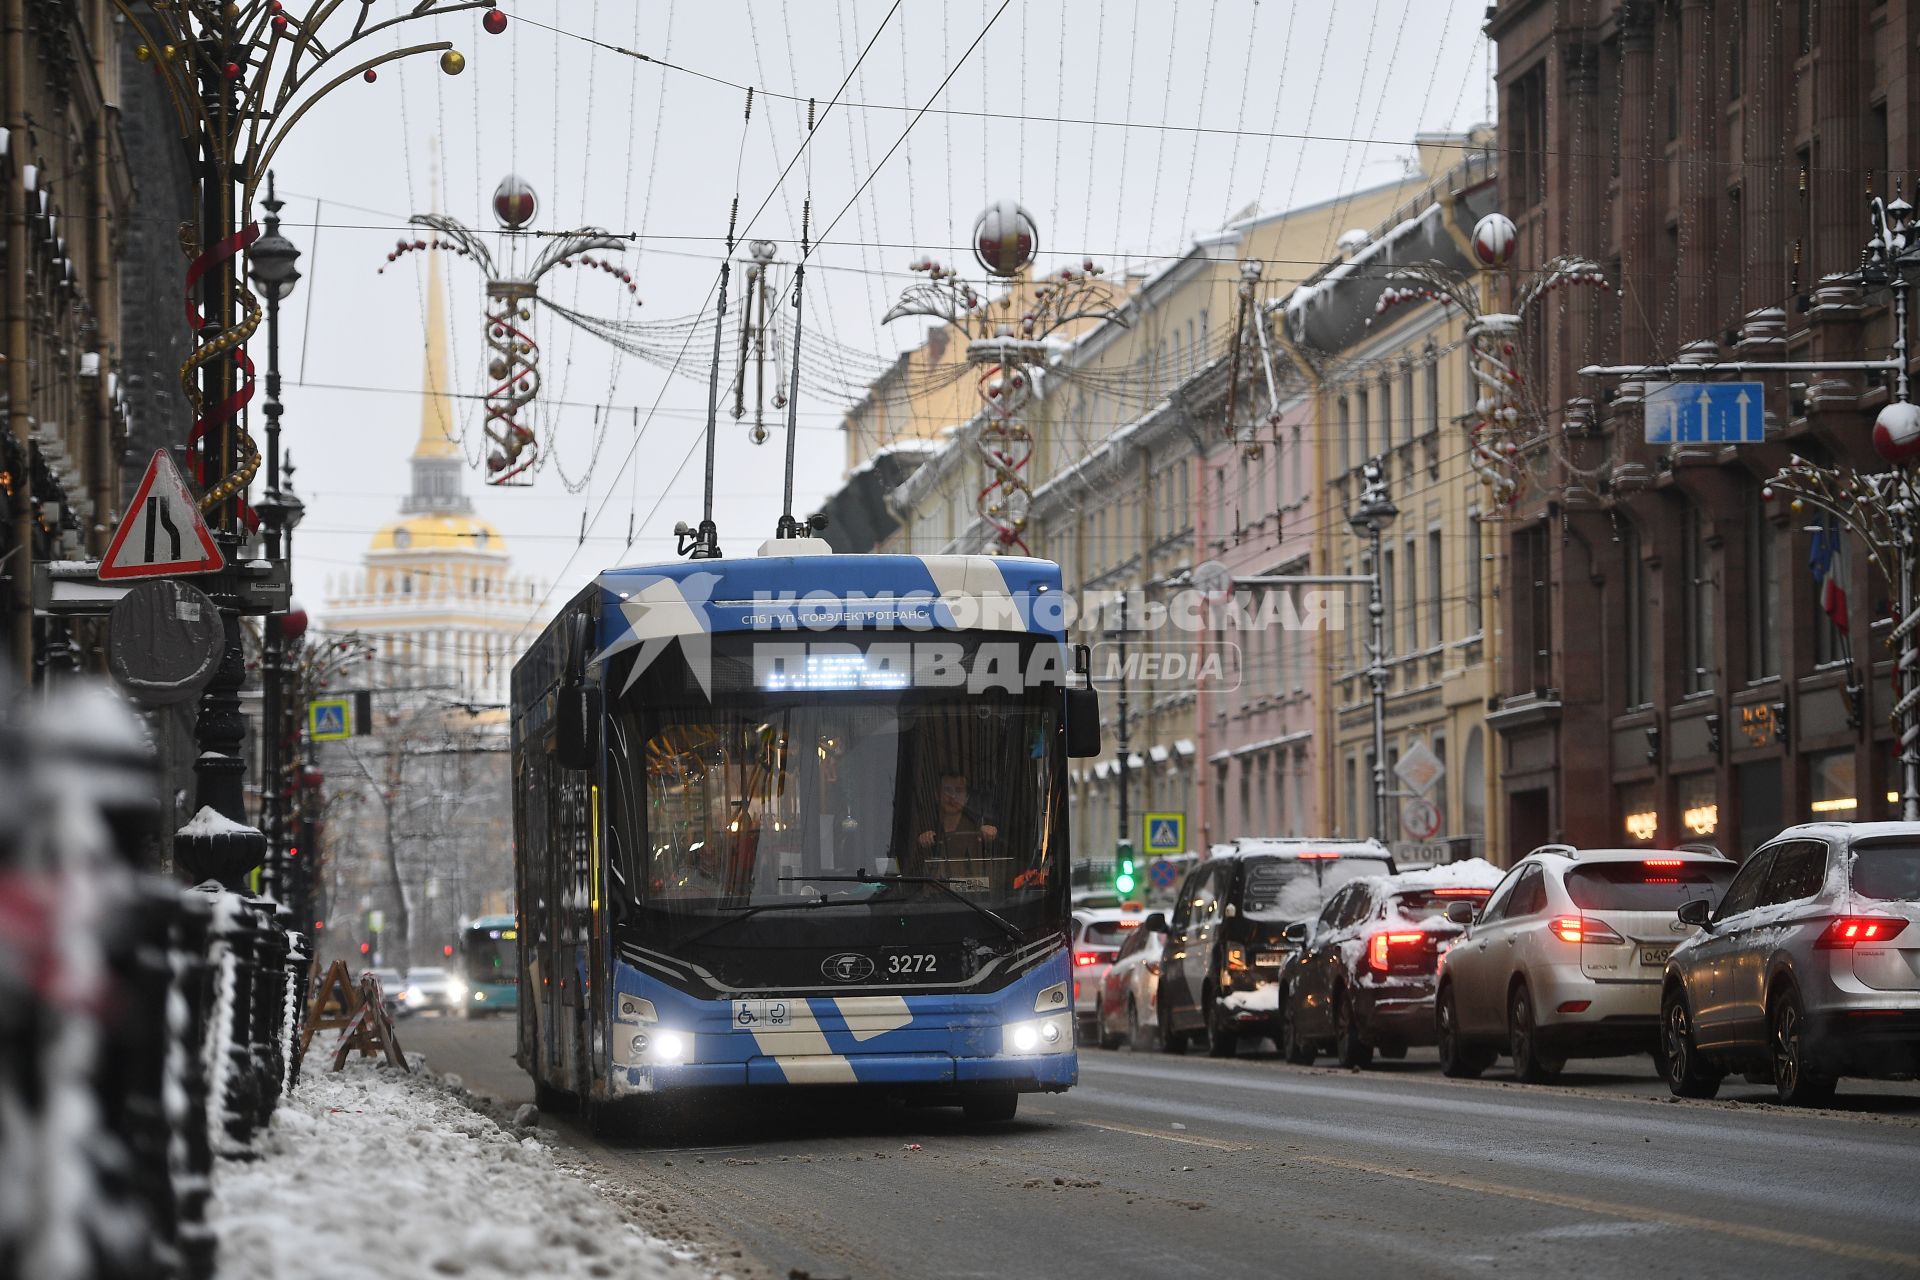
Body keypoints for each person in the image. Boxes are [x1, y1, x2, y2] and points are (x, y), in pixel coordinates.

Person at [916, 771, 998, 851]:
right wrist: (920, 841)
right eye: (947, 790)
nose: (952, 796)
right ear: (937, 795)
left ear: (966, 797)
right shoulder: (923, 823)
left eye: (959, 790)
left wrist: (991, 835)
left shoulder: (977, 825)